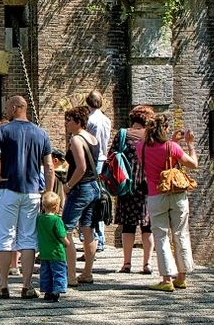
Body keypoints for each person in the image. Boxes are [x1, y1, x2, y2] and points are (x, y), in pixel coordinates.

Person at [0, 95, 54, 299]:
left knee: (5, 236)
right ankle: (27, 286)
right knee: (28, 238)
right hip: (31, 192)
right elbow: (49, 166)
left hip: (7, 190)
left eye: (7, 107)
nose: (5, 110)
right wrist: (48, 192)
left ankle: (3, 285)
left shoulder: (3, 130)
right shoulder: (41, 133)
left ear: (14, 108)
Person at [141, 114, 199, 291]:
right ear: (165, 129)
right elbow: (193, 164)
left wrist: (173, 142)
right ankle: (181, 277)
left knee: (161, 236)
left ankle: (166, 279)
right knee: (181, 233)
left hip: (155, 195)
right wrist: (189, 144)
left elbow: (159, 154)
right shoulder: (172, 147)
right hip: (177, 194)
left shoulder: (141, 147)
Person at [60, 105, 101, 286]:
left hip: (80, 188)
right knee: (87, 230)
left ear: (78, 122)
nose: (66, 124)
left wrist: (68, 185)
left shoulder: (76, 139)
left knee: (66, 230)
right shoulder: (92, 138)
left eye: (68, 120)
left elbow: (81, 167)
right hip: (94, 188)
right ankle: (87, 273)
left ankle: (70, 276)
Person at [114, 105, 155, 274]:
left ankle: (127, 263)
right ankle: (147, 264)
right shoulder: (152, 137)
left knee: (128, 225)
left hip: (127, 185)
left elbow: (112, 156)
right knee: (148, 226)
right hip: (147, 186)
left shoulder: (123, 134)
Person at [85, 91, 112, 252]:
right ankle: (99, 238)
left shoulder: (90, 120)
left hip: (93, 160)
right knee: (101, 197)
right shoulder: (106, 120)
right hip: (104, 158)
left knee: (91, 198)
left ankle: (95, 237)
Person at [37, 191, 68, 301]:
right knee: (59, 272)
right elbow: (61, 235)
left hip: (44, 253)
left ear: (43, 205)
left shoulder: (40, 219)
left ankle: (47, 291)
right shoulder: (57, 220)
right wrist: (67, 243)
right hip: (57, 253)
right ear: (56, 206)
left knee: (46, 273)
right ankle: (57, 290)